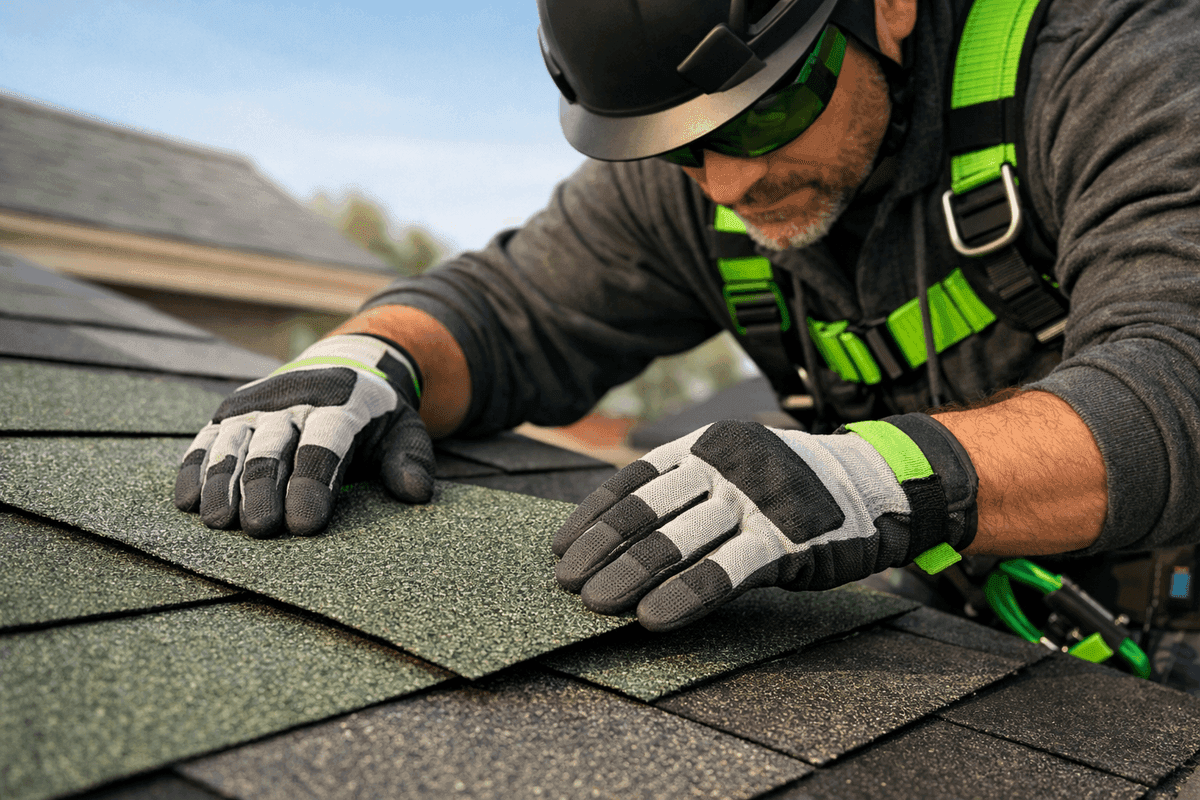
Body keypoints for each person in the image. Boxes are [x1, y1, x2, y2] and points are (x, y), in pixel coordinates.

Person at [173, 0, 1200, 640]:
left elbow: (1177, 378)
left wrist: (875, 475)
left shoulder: (1117, 58)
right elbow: (508, 309)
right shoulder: (704, 177)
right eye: (678, 147)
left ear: (886, 4)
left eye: (765, 113)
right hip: (989, 627)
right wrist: (369, 355)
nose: (729, 181)